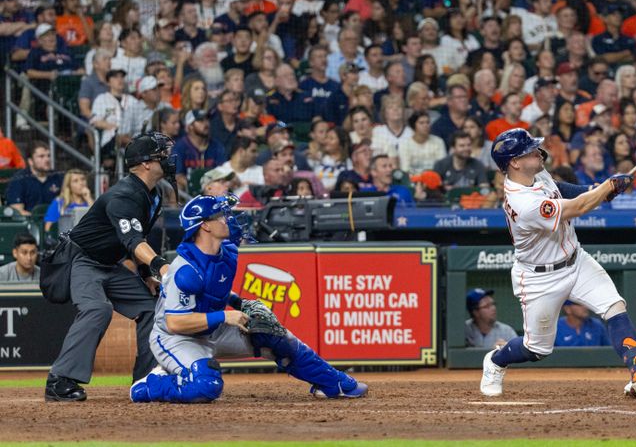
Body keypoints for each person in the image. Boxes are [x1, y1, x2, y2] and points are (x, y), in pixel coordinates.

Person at [129, 194, 368, 402]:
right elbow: (175, 323)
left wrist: (237, 302)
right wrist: (225, 315)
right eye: (220, 215)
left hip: (213, 328)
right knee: (205, 387)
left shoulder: (227, 253)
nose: (228, 219)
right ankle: (150, 386)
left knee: (276, 337)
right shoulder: (185, 270)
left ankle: (333, 383)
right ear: (205, 226)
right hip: (175, 338)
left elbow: (214, 292)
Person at [481, 128, 636, 399]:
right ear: (514, 162)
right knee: (536, 349)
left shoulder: (535, 173)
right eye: (530, 151)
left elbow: (558, 189)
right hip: (540, 278)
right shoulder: (521, 202)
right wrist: (606, 188)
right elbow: (576, 209)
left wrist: (596, 190)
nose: (539, 153)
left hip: (576, 260)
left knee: (614, 306)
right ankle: (496, 360)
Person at [45, 132, 177, 401]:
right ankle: (60, 380)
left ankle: (146, 379)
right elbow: (133, 240)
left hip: (110, 264)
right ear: (145, 164)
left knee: (151, 308)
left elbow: (132, 242)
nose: (168, 159)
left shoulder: (153, 194)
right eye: (161, 154)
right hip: (82, 260)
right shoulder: (124, 195)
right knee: (97, 308)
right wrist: (161, 266)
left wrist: (145, 274)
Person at [5, 141, 63, 216]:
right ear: (30, 161)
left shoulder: (58, 177)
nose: (47, 159)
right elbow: (17, 212)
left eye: (48, 156)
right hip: (31, 223)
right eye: (41, 156)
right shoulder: (19, 180)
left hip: (57, 222)